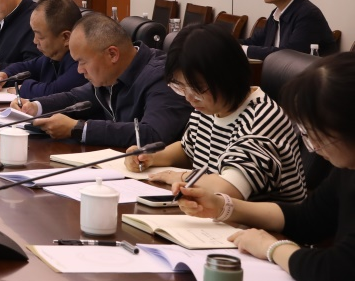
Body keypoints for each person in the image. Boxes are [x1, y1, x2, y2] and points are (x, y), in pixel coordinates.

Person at [176, 53, 355, 281]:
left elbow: (340, 273)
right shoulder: (347, 168)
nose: (313, 146)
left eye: (318, 135)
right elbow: (308, 219)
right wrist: (222, 206)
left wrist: (272, 248)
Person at [127, 23, 306, 204]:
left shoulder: (262, 117)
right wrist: (150, 157)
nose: (189, 98)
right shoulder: (209, 106)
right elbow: (188, 151)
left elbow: (229, 189)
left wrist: (178, 177)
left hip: (266, 221)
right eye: (180, 87)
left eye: (197, 89)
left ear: (227, 76)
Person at [16, 13, 191, 147]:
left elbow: (153, 134)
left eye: (83, 62)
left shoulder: (162, 77)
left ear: (112, 54)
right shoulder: (111, 74)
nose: (79, 70)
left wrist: (79, 129)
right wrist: (35, 106)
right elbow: (76, 98)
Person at [0, 0, 86, 99]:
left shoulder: (82, 63)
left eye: (40, 36)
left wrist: (23, 89)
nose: (35, 41)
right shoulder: (51, 57)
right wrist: (3, 76)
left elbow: (55, 91)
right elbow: (27, 67)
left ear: (66, 37)